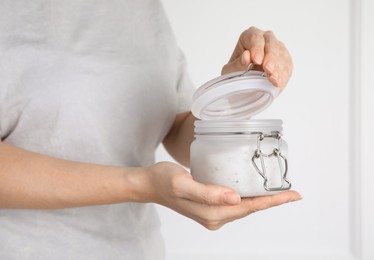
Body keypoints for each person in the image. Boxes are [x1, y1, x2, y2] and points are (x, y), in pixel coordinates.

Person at [0, 0, 301, 259]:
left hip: (139, 250)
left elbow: (178, 128)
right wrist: (143, 184)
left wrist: (231, 92)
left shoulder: (142, 8)